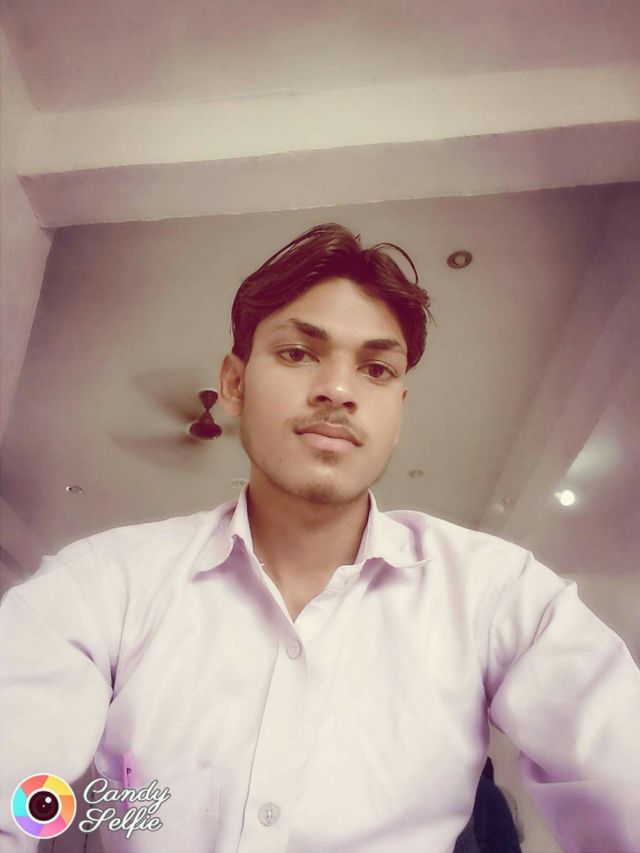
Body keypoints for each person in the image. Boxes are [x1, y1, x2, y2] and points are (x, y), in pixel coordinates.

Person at [1, 223, 639, 853]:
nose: (338, 389)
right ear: (234, 384)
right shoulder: (98, 588)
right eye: (297, 353)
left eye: (376, 369)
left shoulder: (499, 594)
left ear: (398, 410)